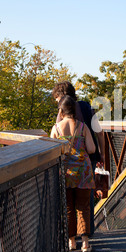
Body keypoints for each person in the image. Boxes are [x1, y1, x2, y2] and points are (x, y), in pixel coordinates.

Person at [52, 81, 105, 236]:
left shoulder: (61, 114)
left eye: (57, 99)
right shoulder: (87, 107)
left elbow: (57, 137)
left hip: (69, 162)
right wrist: (102, 153)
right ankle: (87, 234)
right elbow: (100, 132)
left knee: (69, 202)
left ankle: (71, 237)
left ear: (62, 97)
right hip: (89, 158)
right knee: (85, 200)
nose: (57, 103)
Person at [50, 95, 95, 252]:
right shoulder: (83, 127)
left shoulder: (56, 129)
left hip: (66, 173)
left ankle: (71, 242)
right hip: (83, 172)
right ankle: (85, 243)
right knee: (83, 207)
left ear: (61, 111)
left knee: (68, 207)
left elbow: (52, 152)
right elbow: (91, 149)